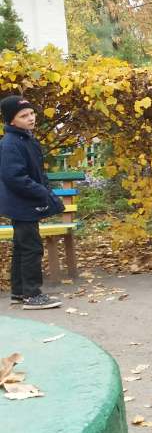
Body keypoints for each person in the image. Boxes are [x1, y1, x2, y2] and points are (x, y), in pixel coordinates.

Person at [1, 94, 64, 310]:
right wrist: (40, 192)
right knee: (32, 248)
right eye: (23, 115)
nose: (30, 118)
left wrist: (45, 191)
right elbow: (14, 177)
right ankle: (32, 295)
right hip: (21, 204)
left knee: (22, 247)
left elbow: (37, 172)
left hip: (25, 203)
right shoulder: (11, 143)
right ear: (11, 121)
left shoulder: (25, 139)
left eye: (31, 113)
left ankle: (19, 293)